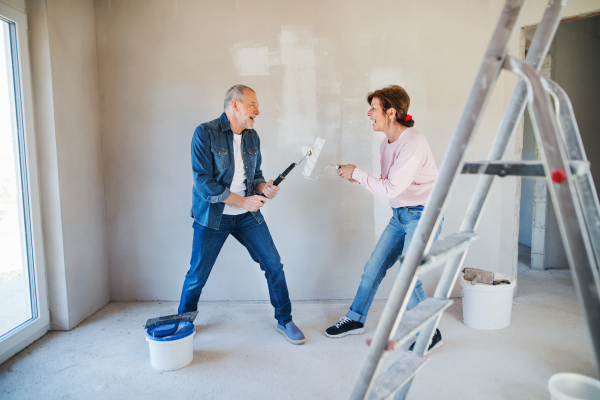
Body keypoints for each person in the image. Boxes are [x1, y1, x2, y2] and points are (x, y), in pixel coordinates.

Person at [178, 85, 305, 345]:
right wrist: (243, 201)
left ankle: (285, 319)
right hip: (214, 216)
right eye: (252, 105)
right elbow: (204, 183)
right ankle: (183, 321)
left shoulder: (252, 136)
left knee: (274, 265)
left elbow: (254, 176)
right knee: (197, 274)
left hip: (246, 215)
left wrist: (263, 188)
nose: (258, 111)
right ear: (235, 104)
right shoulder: (205, 133)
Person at [324, 85, 443, 354]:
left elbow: (389, 189)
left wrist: (359, 173)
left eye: (374, 108)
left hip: (423, 216)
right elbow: (389, 184)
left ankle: (429, 332)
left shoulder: (413, 143)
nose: (369, 113)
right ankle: (355, 319)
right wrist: (356, 177)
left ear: (391, 112)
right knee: (373, 268)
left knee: (408, 276)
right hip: (401, 215)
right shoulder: (386, 143)